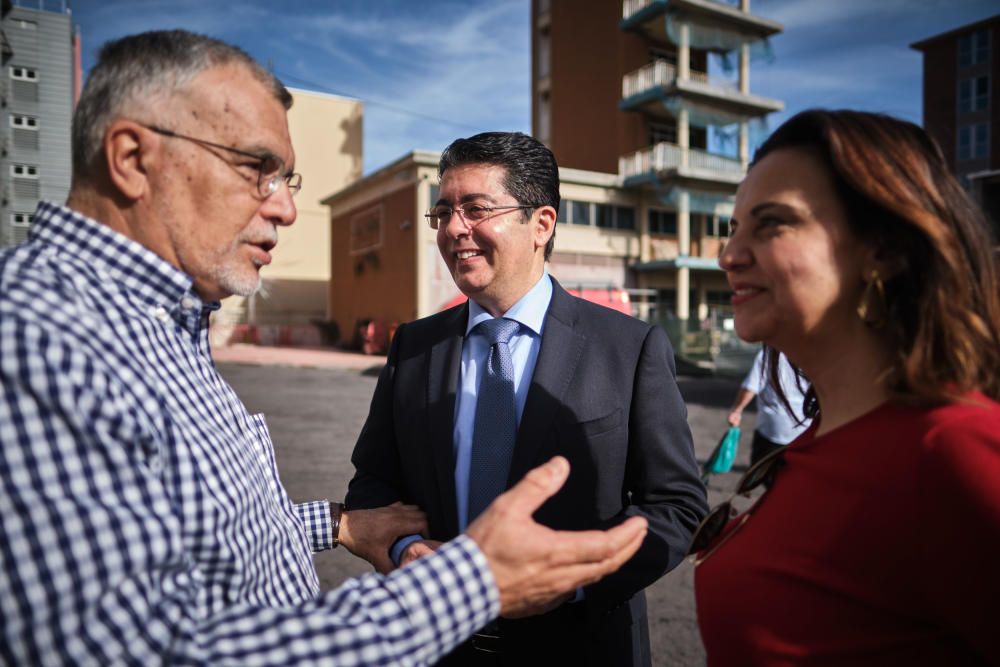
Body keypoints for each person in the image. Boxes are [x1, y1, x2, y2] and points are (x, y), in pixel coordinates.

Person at [0, 30, 650, 666]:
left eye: (288, 178)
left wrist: (337, 524)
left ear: (541, 225)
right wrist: (470, 582)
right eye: (258, 169)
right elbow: (141, 650)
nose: (284, 208)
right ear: (133, 160)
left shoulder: (163, 324)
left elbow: (202, 525)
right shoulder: (37, 338)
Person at [346, 131, 708, 666]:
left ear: (541, 223)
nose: (453, 229)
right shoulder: (414, 346)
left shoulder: (629, 348)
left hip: (581, 646)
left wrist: (570, 582)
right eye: (443, 212)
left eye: (475, 209)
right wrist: (404, 550)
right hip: (436, 644)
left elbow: (676, 505)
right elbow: (374, 480)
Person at [694, 109, 1000, 665]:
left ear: (882, 247)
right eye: (734, 228)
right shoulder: (815, 442)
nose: (729, 256)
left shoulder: (955, 450)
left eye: (772, 223)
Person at [727, 348, 810, 466]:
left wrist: (737, 410)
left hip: (772, 430)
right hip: (805, 432)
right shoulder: (814, 353)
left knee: (763, 474)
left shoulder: (770, 353)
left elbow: (751, 387)